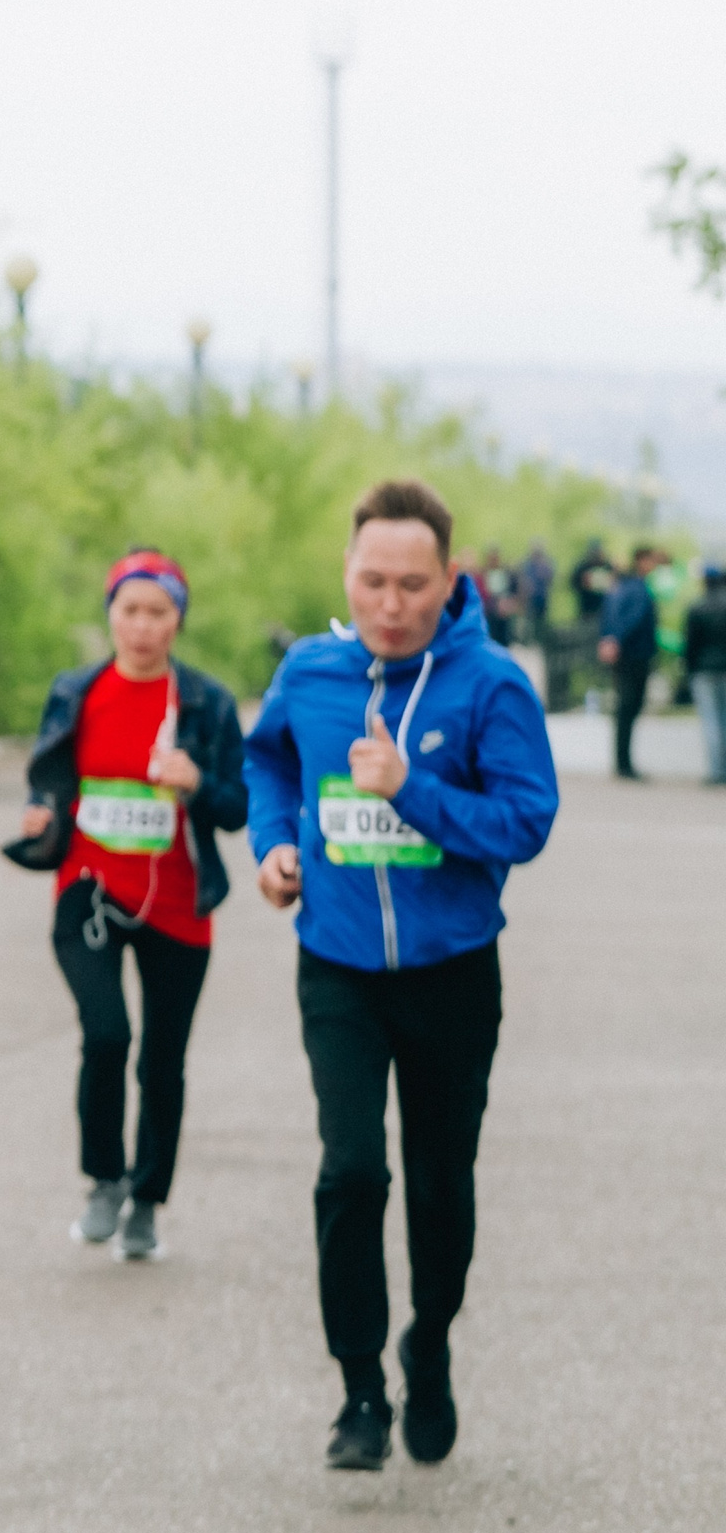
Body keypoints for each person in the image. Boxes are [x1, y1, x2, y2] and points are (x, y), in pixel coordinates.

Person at [245, 479, 558, 1473]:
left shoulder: (489, 684)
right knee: (350, 1170)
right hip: (336, 967)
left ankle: (428, 1345)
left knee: (436, 1184)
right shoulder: (310, 670)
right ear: (346, 573)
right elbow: (270, 765)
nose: (389, 603)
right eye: (371, 580)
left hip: (450, 972)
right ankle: (358, 1390)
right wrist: (269, 846)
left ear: (449, 581)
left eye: (411, 584)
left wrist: (411, 791)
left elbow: (525, 821)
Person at [3, 550, 247, 1262]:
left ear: (178, 620)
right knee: (106, 1033)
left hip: (178, 901)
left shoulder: (206, 703)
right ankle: (103, 1179)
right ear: (110, 613)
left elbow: (239, 807)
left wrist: (197, 780)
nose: (141, 626)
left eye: (158, 612)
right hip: (89, 891)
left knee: (162, 1061)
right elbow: (48, 777)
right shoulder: (76, 691)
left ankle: (146, 1200)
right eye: (129, 609)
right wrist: (40, 811)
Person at [597, 544, 665, 780]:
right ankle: (623, 764)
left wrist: (610, 639)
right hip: (634, 655)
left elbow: (611, 615)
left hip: (629, 654)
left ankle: (623, 763)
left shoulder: (624, 586)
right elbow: (632, 618)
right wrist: (614, 640)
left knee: (626, 708)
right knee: (629, 706)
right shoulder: (636, 587)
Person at [684, 564, 726, 785]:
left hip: (703, 670)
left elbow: (690, 645)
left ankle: (716, 772)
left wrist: (689, 671)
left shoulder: (697, 607)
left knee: (711, 722)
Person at [568, 539, 614, 624]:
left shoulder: (607, 566)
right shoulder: (583, 567)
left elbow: (616, 583)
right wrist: (583, 584)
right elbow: (573, 582)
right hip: (586, 607)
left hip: (603, 608)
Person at [518, 539, 555, 641]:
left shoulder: (546, 563)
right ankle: (529, 640)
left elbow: (550, 577)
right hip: (530, 598)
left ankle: (541, 639)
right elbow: (523, 580)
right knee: (529, 620)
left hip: (542, 597)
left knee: (541, 621)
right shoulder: (528, 564)